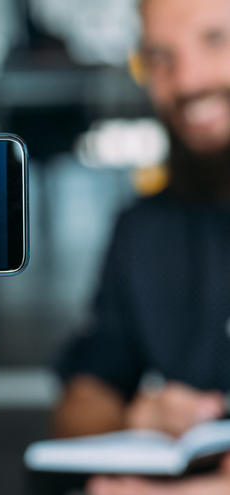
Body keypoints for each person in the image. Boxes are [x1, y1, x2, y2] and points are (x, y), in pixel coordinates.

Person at [53, 0, 230, 493]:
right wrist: (137, 417)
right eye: (160, 56)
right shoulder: (143, 230)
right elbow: (80, 402)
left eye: (216, 39)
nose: (188, 81)